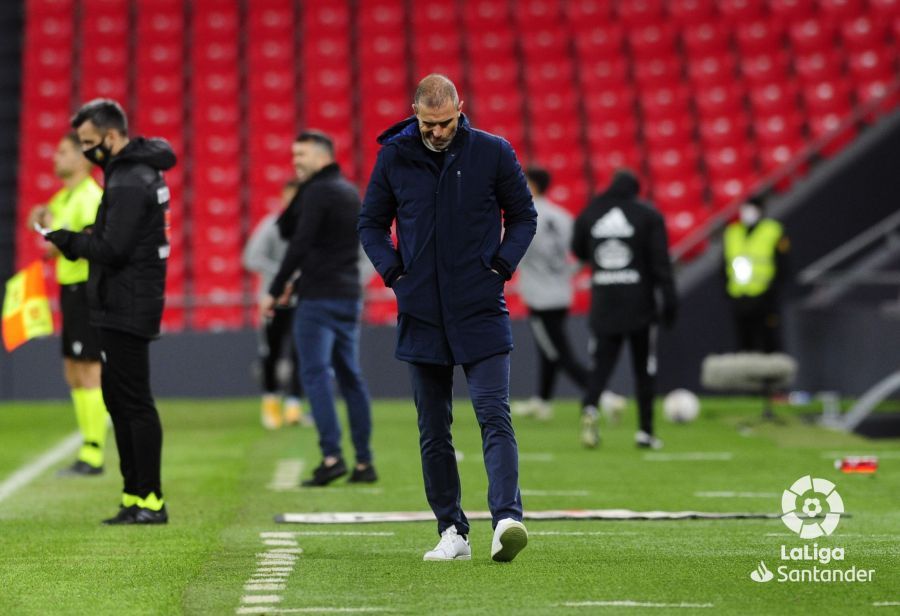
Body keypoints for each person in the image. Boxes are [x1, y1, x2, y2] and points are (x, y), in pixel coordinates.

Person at [359, 74, 536, 562]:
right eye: (428, 125)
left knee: (494, 415)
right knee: (433, 429)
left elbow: (524, 215)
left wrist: (500, 267)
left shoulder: (493, 152)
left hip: (481, 306)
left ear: (460, 108)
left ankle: (507, 520)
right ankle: (452, 531)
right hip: (421, 311)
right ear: (414, 113)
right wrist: (396, 274)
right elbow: (371, 223)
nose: (437, 133)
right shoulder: (394, 156)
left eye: (445, 123)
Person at [43, 99, 176, 525]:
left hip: (128, 302)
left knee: (133, 402)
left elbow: (113, 248)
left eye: (89, 142)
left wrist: (67, 240)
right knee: (119, 401)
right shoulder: (129, 174)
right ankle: (134, 495)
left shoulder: (130, 180)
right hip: (119, 299)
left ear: (112, 136)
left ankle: (150, 499)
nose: (86, 151)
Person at [260, 131, 375, 487]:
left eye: (302, 155)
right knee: (351, 376)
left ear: (323, 157)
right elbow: (330, 249)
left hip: (319, 298)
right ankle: (364, 462)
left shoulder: (315, 192)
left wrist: (275, 289)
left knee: (315, 374)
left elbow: (299, 242)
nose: (295, 161)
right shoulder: (349, 191)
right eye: (294, 155)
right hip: (348, 294)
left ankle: (331, 457)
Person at [571, 169, 677, 450]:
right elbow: (661, 263)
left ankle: (590, 410)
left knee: (600, 368)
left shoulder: (591, 213)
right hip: (640, 305)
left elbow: (578, 249)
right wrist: (670, 301)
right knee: (644, 370)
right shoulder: (648, 215)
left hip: (604, 303)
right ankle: (645, 432)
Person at [27, 133, 108, 476]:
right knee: (73, 370)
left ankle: (94, 451)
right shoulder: (62, 197)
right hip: (69, 288)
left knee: (88, 367)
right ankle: (89, 442)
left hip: (88, 287)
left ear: (81, 158)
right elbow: (52, 245)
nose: (54, 157)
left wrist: (54, 231)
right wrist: (41, 225)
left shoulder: (91, 197)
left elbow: (93, 246)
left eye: (62, 152)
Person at [511, 165, 589, 421]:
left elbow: (513, 253)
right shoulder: (563, 216)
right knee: (548, 350)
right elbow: (583, 252)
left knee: (557, 352)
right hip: (561, 293)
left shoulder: (524, 215)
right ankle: (542, 402)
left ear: (532, 186)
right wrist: (568, 273)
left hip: (539, 297)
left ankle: (601, 393)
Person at [243, 178, 308, 429]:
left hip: (303, 299)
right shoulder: (271, 226)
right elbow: (251, 257)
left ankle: (293, 406)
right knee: (271, 351)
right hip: (274, 300)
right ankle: (270, 403)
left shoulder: (311, 228)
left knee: (301, 352)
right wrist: (282, 274)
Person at [723, 195, 790, 353]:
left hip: (765, 297)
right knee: (744, 345)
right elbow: (724, 265)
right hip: (740, 297)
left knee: (769, 342)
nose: (747, 212)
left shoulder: (773, 230)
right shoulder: (732, 233)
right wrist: (728, 292)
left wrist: (772, 291)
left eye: (751, 208)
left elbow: (783, 265)